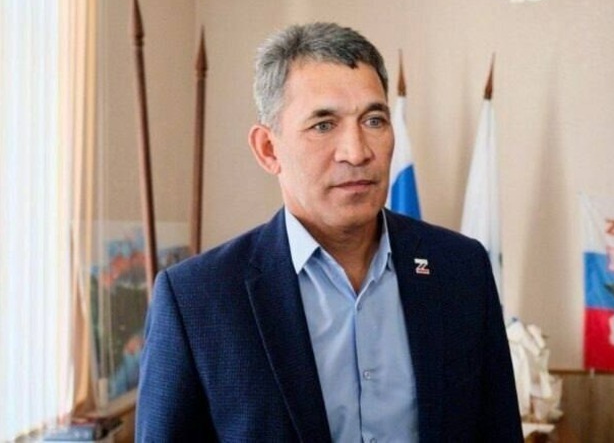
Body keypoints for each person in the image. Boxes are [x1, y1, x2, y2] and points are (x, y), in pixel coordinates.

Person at [135, 22, 522, 442]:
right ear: (268, 149)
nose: (357, 152)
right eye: (323, 125)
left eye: (374, 120)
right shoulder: (197, 299)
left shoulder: (461, 269)